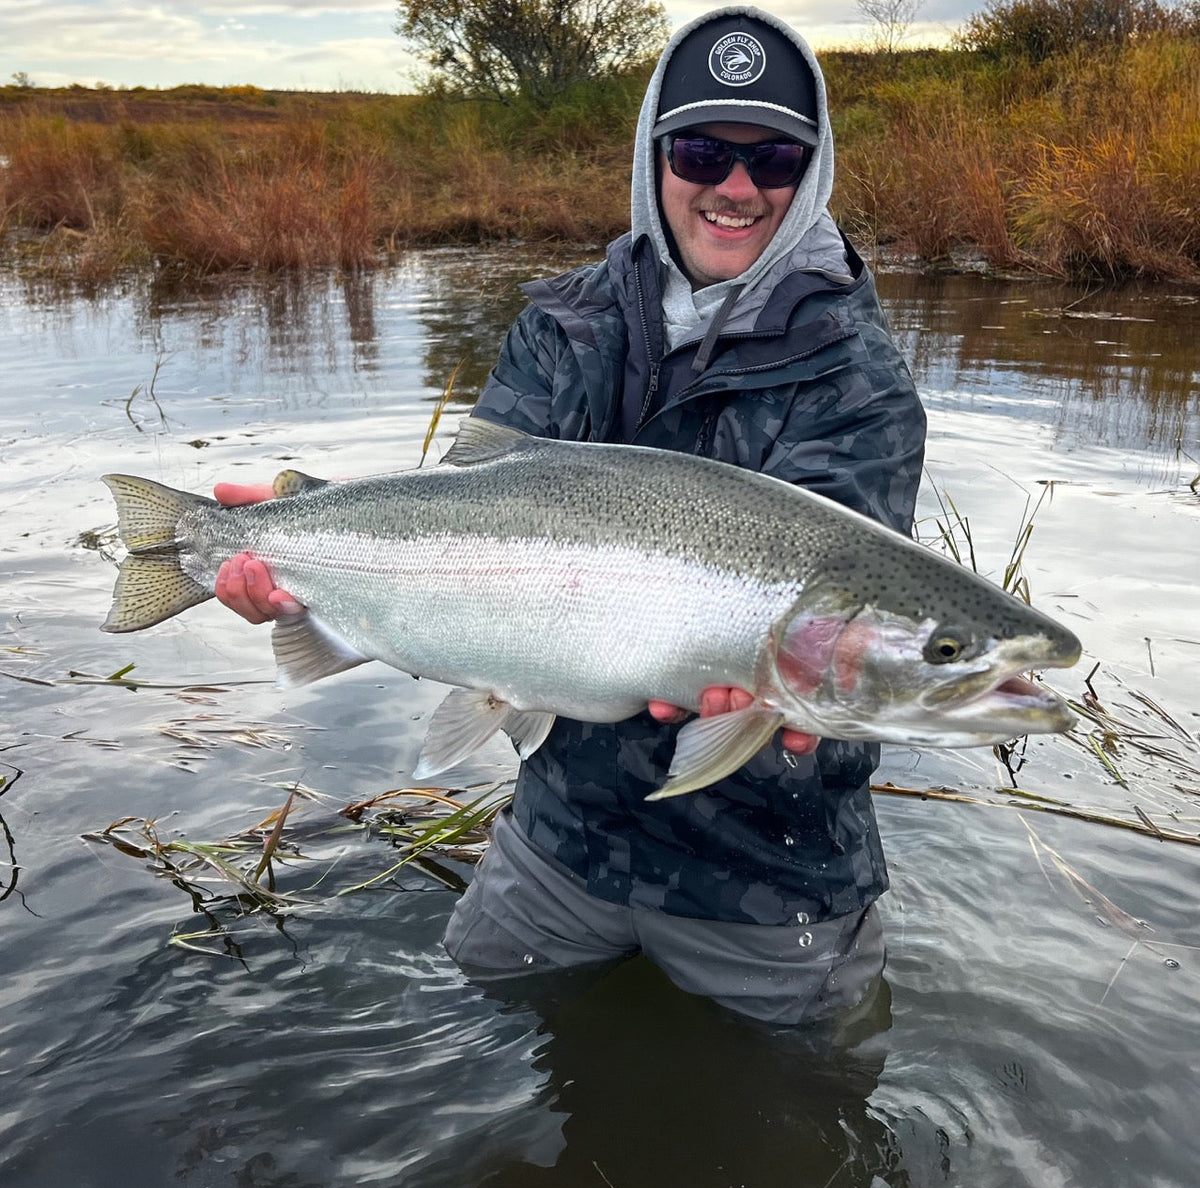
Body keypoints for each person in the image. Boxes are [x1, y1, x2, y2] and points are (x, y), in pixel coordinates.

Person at [214, 5, 927, 1025]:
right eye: (702, 149)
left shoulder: (863, 386)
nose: (736, 186)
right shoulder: (562, 322)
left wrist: (785, 709)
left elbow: (851, 645)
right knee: (475, 1021)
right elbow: (464, 533)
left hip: (766, 871)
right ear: (655, 155)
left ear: (809, 172)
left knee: (806, 1113)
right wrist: (303, 583)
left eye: (773, 156)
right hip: (562, 833)